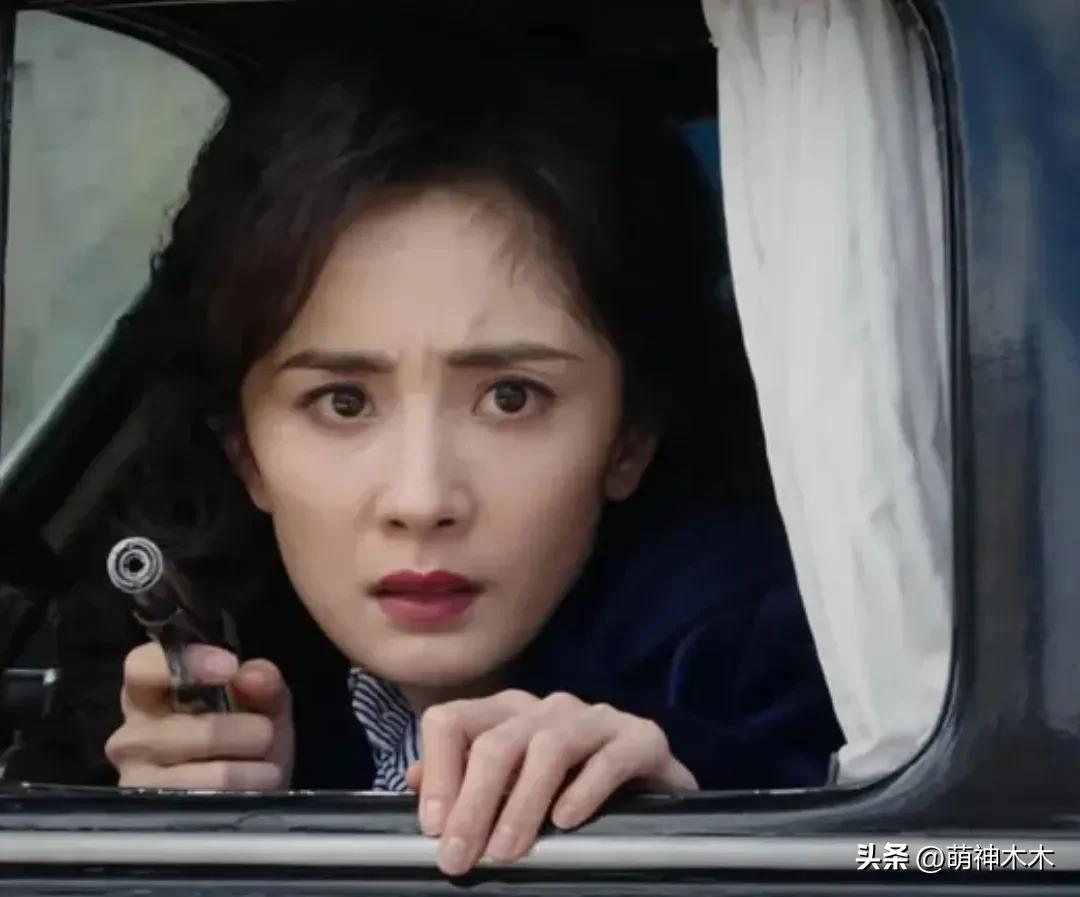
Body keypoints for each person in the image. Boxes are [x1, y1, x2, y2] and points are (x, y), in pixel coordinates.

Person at [10, 28, 842, 876]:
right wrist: (174, 840)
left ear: (630, 438)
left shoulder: (798, 677)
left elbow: (889, 843)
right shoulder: (219, 665)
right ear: (245, 452)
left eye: (511, 397)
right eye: (342, 402)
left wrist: (693, 812)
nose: (421, 497)